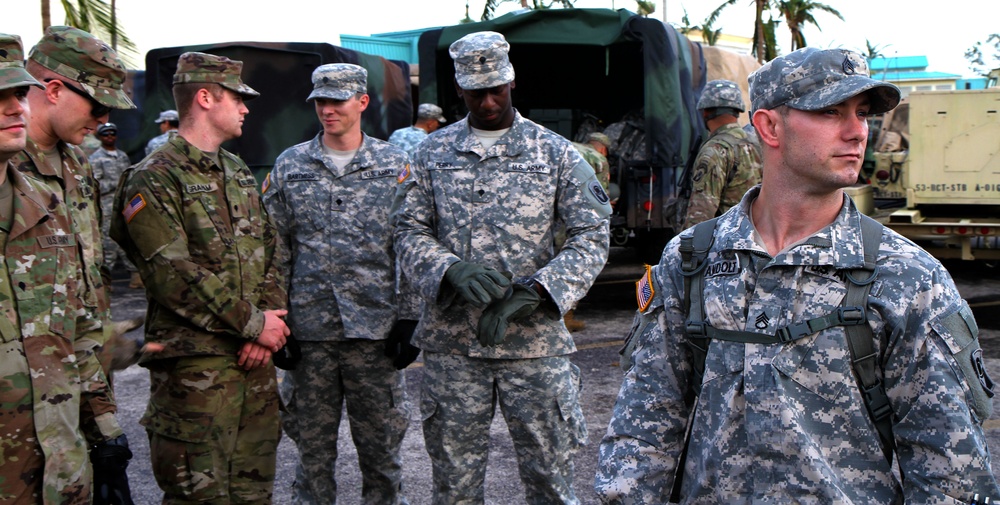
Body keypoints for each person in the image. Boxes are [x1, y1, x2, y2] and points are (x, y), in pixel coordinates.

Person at [595, 47, 1000, 503]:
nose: (857, 131)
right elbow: (645, 422)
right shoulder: (692, 260)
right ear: (769, 127)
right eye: (830, 112)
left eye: (863, 113)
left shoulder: (908, 277)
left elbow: (952, 474)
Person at [393, 31, 611, 504]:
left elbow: (592, 234)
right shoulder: (430, 154)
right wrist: (449, 269)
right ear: (459, 90)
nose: (488, 100)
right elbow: (406, 231)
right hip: (454, 347)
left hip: (535, 347)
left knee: (551, 484)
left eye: (497, 89)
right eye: (477, 92)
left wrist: (537, 290)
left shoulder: (554, 153)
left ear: (512, 82)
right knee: (454, 486)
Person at [110, 51, 289, 503]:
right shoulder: (153, 178)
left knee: (254, 493)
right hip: (197, 379)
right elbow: (172, 273)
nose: (246, 108)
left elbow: (272, 249)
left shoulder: (236, 171)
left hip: (254, 369)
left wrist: (264, 326)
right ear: (206, 98)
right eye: (238, 98)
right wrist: (254, 325)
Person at [262, 63, 416, 505]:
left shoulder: (395, 165)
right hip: (310, 333)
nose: (327, 110)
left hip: (376, 332)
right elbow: (275, 247)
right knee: (311, 457)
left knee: (383, 455)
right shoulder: (292, 164)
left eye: (337, 100)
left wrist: (410, 316)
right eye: (320, 102)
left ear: (362, 102)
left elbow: (410, 241)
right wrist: (278, 317)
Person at [0, 31, 132, 505]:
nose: (104, 120)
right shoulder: (15, 168)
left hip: (74, 380)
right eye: (97, 107)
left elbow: (84, 284)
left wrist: (105, 427)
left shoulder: (78, 167)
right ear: (53, 90)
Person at [677, 79, 762, 231]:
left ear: (706, 111)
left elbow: (701, 213)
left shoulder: (714, 150)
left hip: (725, 241)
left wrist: (687, 248)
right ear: (737, 110)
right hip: (760, 237)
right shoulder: (758, 143)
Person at [89, 122, 141, 289]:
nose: (109, 137)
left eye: (112, 134)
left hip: (124, 206)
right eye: (106, 134)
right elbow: (94, 185)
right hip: (107, 206)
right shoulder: (96, 158)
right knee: (108, 243)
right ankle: (105, 280)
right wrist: (114, 184)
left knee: (129, 239)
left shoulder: (122, 156)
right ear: (100, 137)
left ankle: (135, 276)